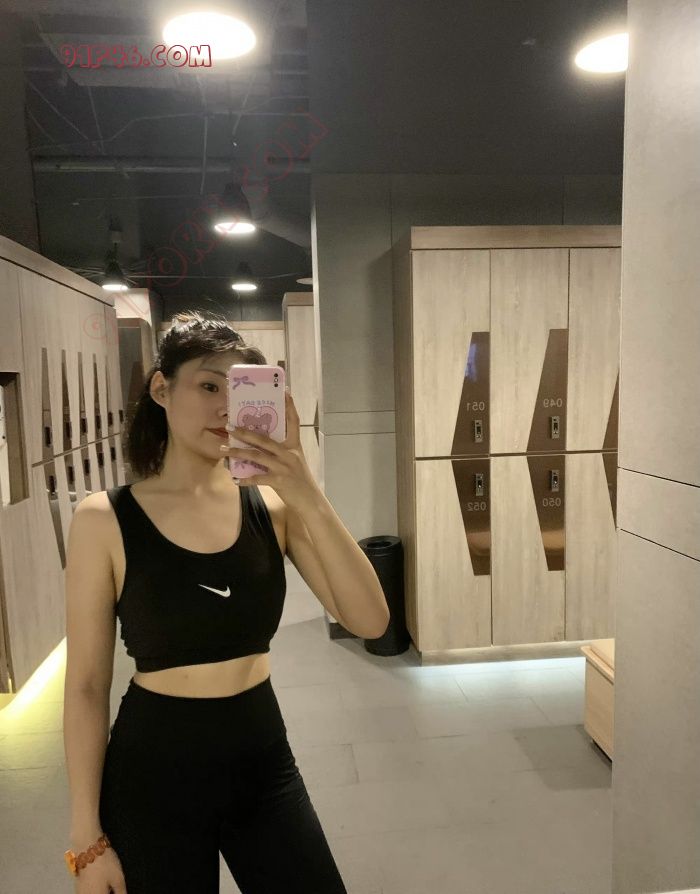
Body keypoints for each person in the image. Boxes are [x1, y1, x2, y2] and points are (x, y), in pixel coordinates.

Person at [62, 311, 351, 893]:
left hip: (263, 764)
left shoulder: (272, 507)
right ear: (161, 389)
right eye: (209, 385)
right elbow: (87, 686)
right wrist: (87, 839)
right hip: (153, 777)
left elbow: (369, 619)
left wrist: (306, 489)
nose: (225, 408)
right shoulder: (104, 519)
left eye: (239, 391)